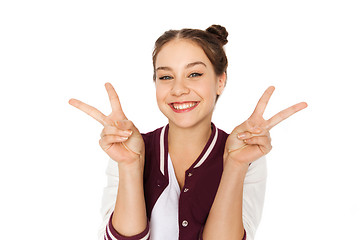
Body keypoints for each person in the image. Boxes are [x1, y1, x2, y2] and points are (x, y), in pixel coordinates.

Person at [69, 24, 307, 240]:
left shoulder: (247, 155)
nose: (178, 89)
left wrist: (235, 165)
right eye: (166, 76)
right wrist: (130, 166)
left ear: (221, 81)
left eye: (194, 74)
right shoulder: (127, 148)